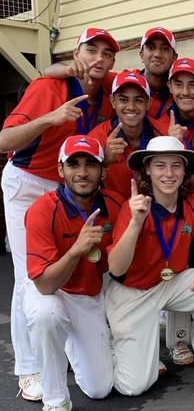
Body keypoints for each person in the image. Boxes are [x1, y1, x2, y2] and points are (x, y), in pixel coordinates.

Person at [0, 27, 118, 401]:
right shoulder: (47, 89)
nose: (99, 58)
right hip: (28, 182)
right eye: (91, 50)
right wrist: (49, 119)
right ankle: (29, 368)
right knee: (27, 277)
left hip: (68, 184)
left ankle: (65, 343)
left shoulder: (105, 88)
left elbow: (148, 79)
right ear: (77, 51)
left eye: (107, 53)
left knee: (73, 267)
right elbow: (4, 141)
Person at [105, 136, 194, 401]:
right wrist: (135, 223)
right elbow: (115, 267)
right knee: (133, 386)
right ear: (148, 170)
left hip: (171, 283)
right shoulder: (135, 207)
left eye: (175, 166)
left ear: (184, 170)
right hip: (132, 292)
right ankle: (112, 344)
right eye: (160, 166)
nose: (169, 174)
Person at [23, 136, 122, 411]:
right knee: (46, 315)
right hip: (52, 290)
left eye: (91, 164)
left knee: (99, 389)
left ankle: (70, 344)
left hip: (89, 296)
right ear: (60, 169)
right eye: (73, 164)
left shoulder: (114, 204)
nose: (82, 172)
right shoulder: (42, 210)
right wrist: (77, 250)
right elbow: (44, 285)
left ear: (103, 170)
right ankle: (56, 401)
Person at [45, 26, 178, 119]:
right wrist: (67, 69)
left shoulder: (183, 89)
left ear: (174, 57)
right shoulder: (124, 81)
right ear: (141, 55)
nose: (157, 54)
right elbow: (48, 71)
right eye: (151, 47)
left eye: (165, 48)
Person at [88, 69, 167, 200]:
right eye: (124, 100)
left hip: (154, 207)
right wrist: (105, 162)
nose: (131, 106)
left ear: (148, 103)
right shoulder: (96, 139)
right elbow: (82, 185)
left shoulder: (163, 134)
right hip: (114, 210)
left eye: (138, 100)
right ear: (113, 101)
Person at [159, 57, 194, 154]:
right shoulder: (158, 122)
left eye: (192, 84)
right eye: (178, 85)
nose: (185, 92)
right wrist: (170, 143)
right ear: (170, 87)